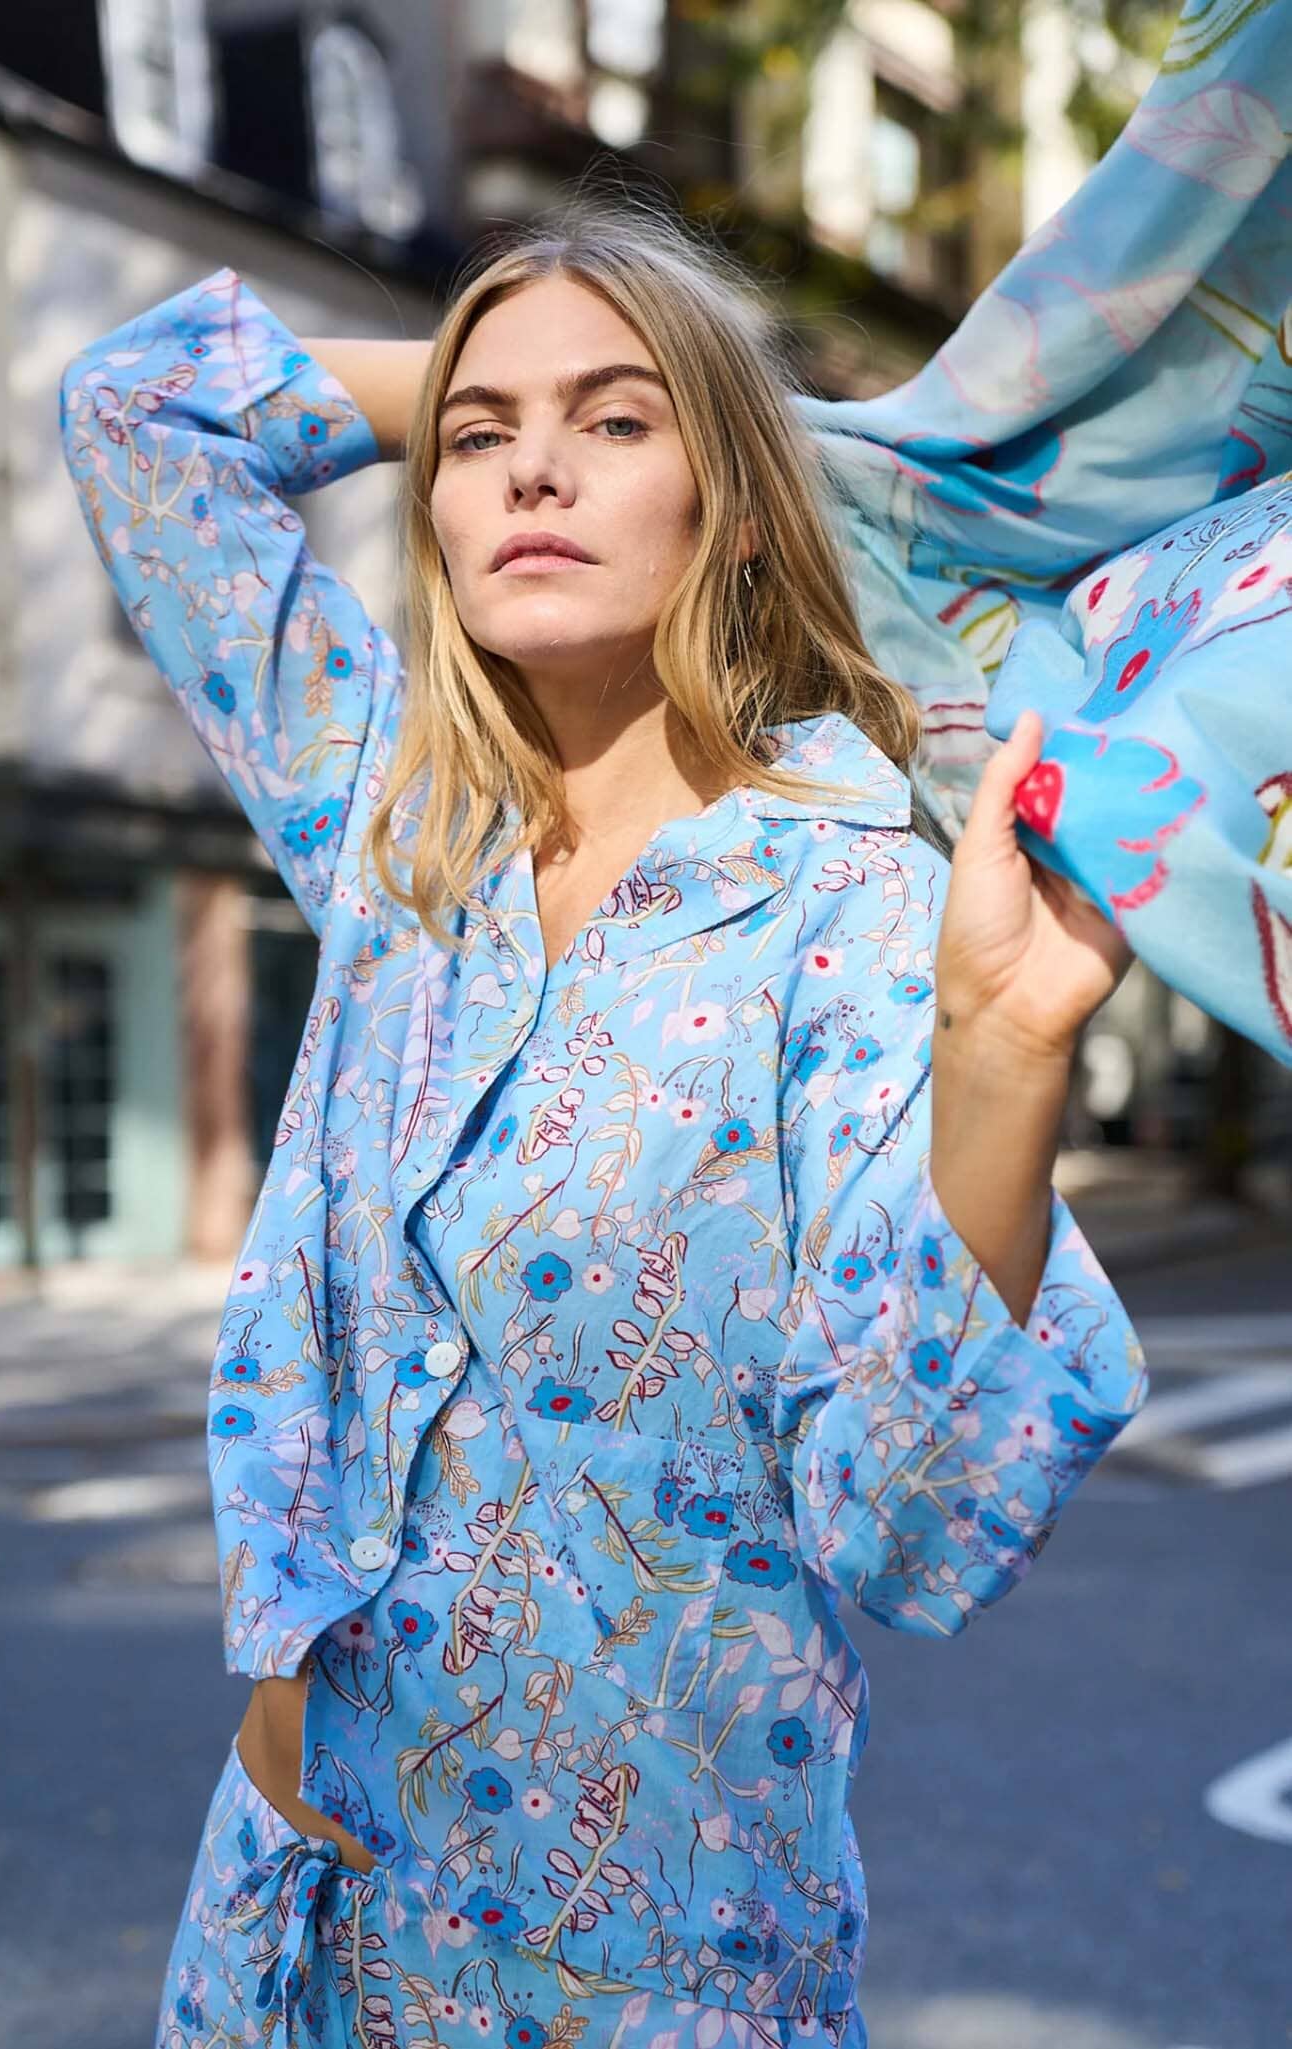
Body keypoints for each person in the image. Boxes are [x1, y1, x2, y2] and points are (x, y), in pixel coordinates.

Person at [60, 204, 1147, 2049]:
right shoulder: (401, 831)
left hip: (635, 1978)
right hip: (283, 1923)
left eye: (617, 424)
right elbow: (140, 413)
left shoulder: (860, 912)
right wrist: (532, 373)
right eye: (480, 437)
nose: (530, 470)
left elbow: (909, 1526)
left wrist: (1001, 1055)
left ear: (736, 506)